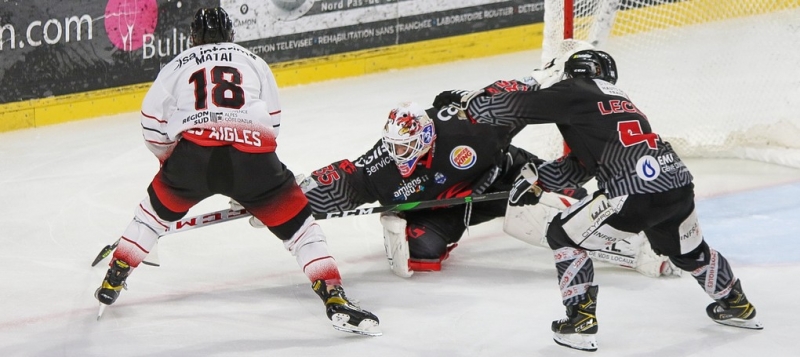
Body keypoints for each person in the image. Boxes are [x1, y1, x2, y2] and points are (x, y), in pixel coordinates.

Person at [432, 40, 763, 351]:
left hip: (633, 192)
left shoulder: (575, 91)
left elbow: (500, 109)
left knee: (562, 234)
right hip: (676, 186)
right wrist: (539, 180)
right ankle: (736, 303)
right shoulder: (620, 102)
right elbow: (582, 166)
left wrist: (471, 98)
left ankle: (579, 322)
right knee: (690, 252)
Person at [94, 7, 380, 336]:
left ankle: (117, 271)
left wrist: (170, 162)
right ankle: (333, 295)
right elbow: (271, 119)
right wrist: (261, 186)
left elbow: (151, 121)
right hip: (253, 157)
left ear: (193, 38)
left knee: (149, 219)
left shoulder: (177, 65)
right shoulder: (253, 61)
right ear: (232, 36)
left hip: (194, 158)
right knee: (303, 231)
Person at [250, 98, 678, 279]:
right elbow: (341, 181)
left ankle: (641, 249)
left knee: (564, 210)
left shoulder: (469, 134)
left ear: (425, 136)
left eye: (405, 145)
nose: (397, 153)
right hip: (454, 205)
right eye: (393, 145)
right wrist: (280, 201)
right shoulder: (383, 164)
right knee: (421, 256)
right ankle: (412, 217)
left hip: (508, 176)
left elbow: (519, 107)